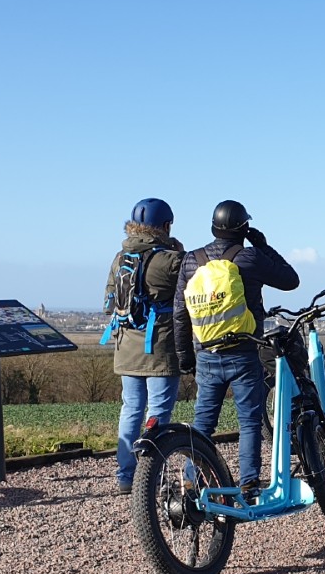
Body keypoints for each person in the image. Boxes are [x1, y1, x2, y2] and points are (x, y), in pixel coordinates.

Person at [173, 200, 299, 499]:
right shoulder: (250, 257)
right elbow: (290, 280)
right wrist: (264, 246)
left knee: (203, 421)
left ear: (213, 228)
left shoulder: (191, 260)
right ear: (245, 228)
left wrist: (185, 357)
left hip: (206, 352)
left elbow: (180, 312)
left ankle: (193, 478)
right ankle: (249, 483)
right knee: (249, 420)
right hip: (244, 350)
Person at [105, 198, 185, 495]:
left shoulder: (119, 258)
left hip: (126, 346)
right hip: (160, 348)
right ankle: (154, 477)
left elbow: (109, 302)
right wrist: (178, 250)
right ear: (165, 226)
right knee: (159, 414)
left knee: (132, 410)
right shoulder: (170, 260)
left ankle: (126, 476)